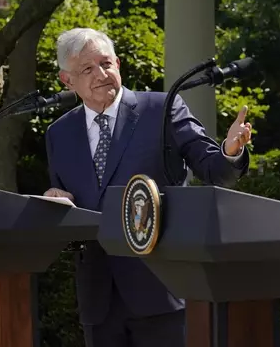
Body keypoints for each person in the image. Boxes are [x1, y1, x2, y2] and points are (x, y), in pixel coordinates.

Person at [43, 28, 251, 347]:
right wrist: (53, 202)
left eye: (106, 63)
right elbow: (67, 204)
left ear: (119, 64)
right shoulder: (59, 134)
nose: (101, 74)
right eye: (87, 69)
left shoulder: (161, 109)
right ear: (66, 80)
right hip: (99, 299)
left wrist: (231, 149)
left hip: (161, 290)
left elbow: (215, 171)